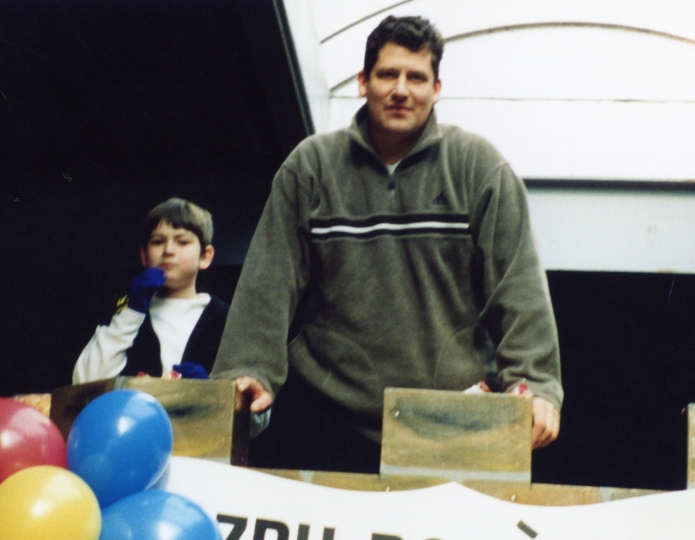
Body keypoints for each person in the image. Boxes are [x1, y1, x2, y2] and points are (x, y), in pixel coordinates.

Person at [211, 15, 562, 472]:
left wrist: (536, 384)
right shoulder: (310, 166)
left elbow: (518, 286)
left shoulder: (479, 167)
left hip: (451, 422)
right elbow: (268, 281)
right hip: (328, 423)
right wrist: (247, 368)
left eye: (416, 77)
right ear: (363, 82)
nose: (401, 90)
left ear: (436, 89)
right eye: (387, 74)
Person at [73, 198, 228, 384]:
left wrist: (212, 390)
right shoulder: (122, 314)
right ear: (144, 256)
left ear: (205, 256)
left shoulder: (226, 319)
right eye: (158, 241)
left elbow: (250, 393)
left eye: (182, 242)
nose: (168, 250)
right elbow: (85, 382)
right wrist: (131, 312)